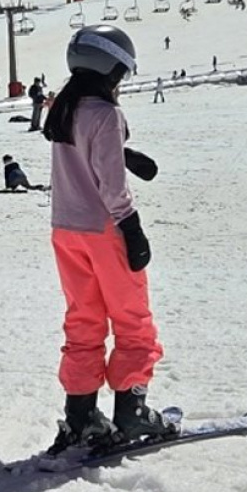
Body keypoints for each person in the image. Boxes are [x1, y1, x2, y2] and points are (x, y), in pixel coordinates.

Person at [41, 26, 169, 454]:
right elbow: (112, 187)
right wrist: (132, 227)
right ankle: (131, 414)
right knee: (132, 318)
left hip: (66, 229)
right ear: (110, 67)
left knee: (83, 320)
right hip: (104, 230)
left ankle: (81, 416)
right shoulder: (107, 114)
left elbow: (82, 152)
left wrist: (126, 153)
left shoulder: (63, 108)